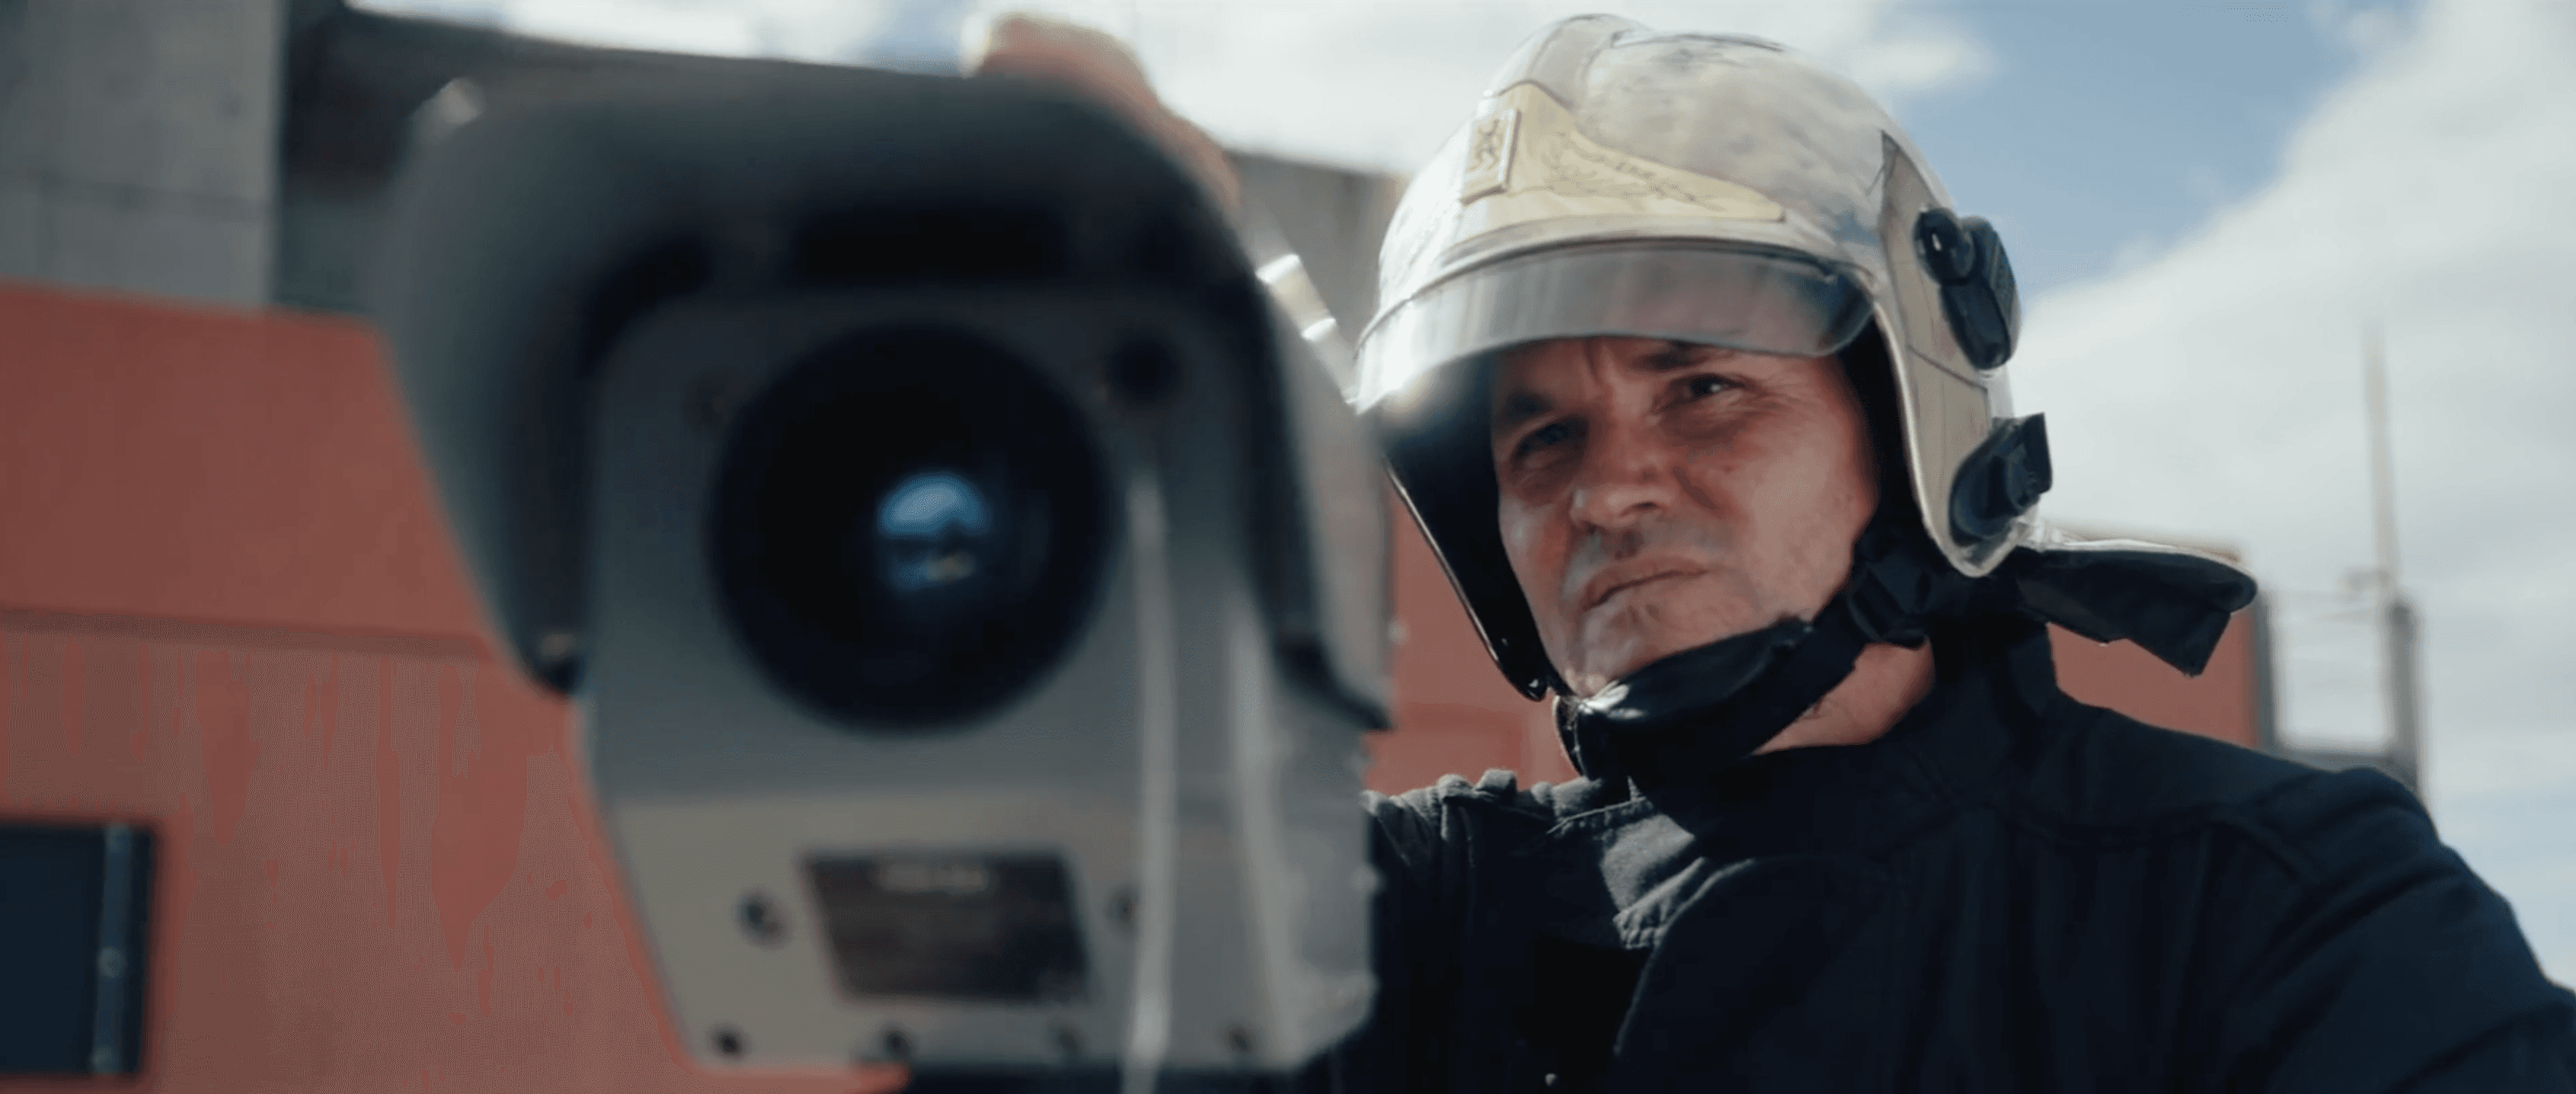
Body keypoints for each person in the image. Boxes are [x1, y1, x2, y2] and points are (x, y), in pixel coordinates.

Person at [981, 13, 2576, 1091]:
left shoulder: (2278, 907)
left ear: (1909, 422)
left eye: (1701, 389)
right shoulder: (1422, 920)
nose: (1609, 490)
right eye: (1541, 439)